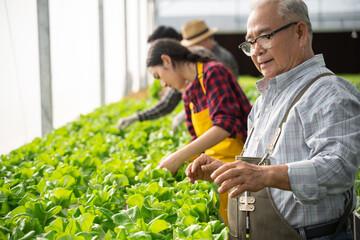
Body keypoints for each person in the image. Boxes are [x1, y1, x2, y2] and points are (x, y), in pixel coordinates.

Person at [186, 0, 360, 240]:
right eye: (250, 43)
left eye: (265, 36)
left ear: (300, 32)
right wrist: (224, 170)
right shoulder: (264, 101)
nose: (256, 50)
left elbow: (338, 168)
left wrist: (264, 175)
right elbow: (263, 166)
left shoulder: (329, 92)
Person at [147, 38, 251, 225]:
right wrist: (168, 162)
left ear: (167, 60)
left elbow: (224, 125)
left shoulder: (213, 72)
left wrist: (178, 157)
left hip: (242, 168)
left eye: (158, 76)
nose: (162, 84)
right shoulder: (189, 93)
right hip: (216, 173)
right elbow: (197, 139)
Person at [116, 26, 184, 132]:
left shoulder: (197, 69)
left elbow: (218, 124)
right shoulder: (177, 77)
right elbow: (166, 104)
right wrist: (136, 117)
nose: (164, 84)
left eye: (156, 48)